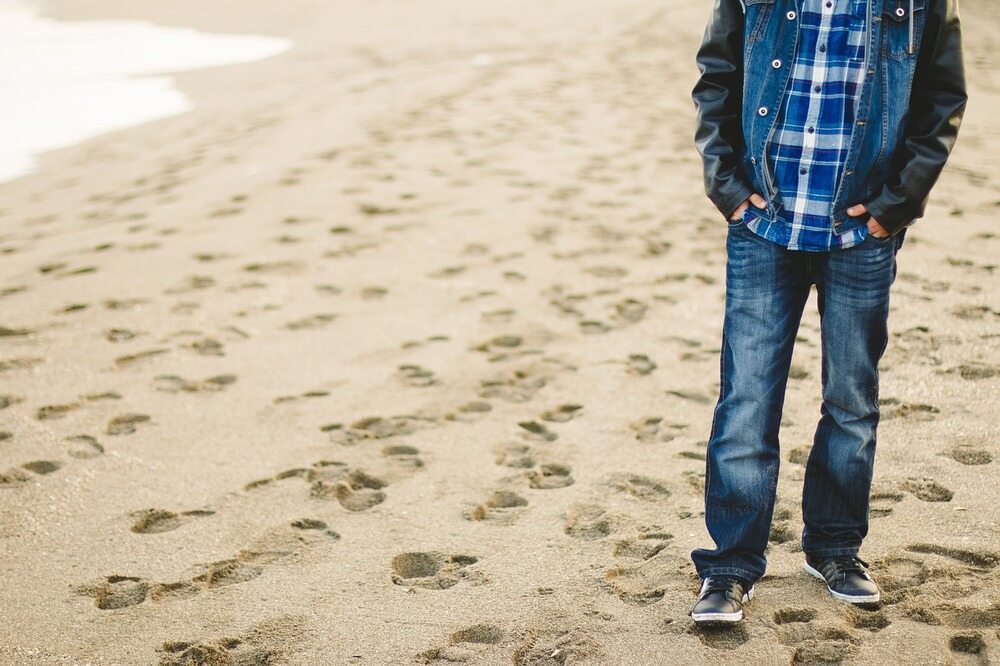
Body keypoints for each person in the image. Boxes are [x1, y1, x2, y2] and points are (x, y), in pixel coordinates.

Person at [688, 0, 967, 624]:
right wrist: (727, 189)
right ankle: (730, 565)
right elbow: (717, 76)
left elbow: (940, 101)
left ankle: (836, 548)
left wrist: (896, 206)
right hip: (764, 225)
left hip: (860, 232)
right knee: (747, 399)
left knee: (851, 398)